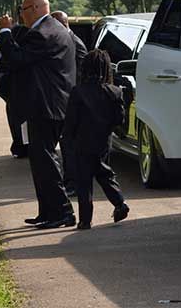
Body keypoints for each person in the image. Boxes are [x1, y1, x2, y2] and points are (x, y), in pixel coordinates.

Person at [0, 0, 76, 229]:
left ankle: (62, 211)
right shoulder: (53, 28)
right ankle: (48, 211)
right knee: (40, 161)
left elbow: (15, 58)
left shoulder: (44, 33)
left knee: (45, 160)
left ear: (33, 8)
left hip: (46, 105)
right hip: (49, 104)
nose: (20, 14)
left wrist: (5, 32)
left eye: (22, 9)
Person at [64, 49, 129, 230]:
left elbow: (71, 121)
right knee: (104, 172)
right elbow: (119, 119)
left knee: (83, 182)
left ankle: (85, 219)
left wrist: (68, 138)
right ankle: (119, 203)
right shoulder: (114, 92)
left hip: (82, 141)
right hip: (103, 141)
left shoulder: (78, 92)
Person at [51, 10, 87, 195]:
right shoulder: (67, 40)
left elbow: (81, 75)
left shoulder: (74, 43)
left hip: (73, 102)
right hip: (67, 100)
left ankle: (72, 183)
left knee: (70, 145)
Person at [0, 21, 29, 158]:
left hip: (13, 88)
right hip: (13, 88)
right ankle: (21, 146)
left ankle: (21, 146)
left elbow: (0, 63)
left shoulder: (15, 35)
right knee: (18, 120)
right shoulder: (19, 35)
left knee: (18, 120)